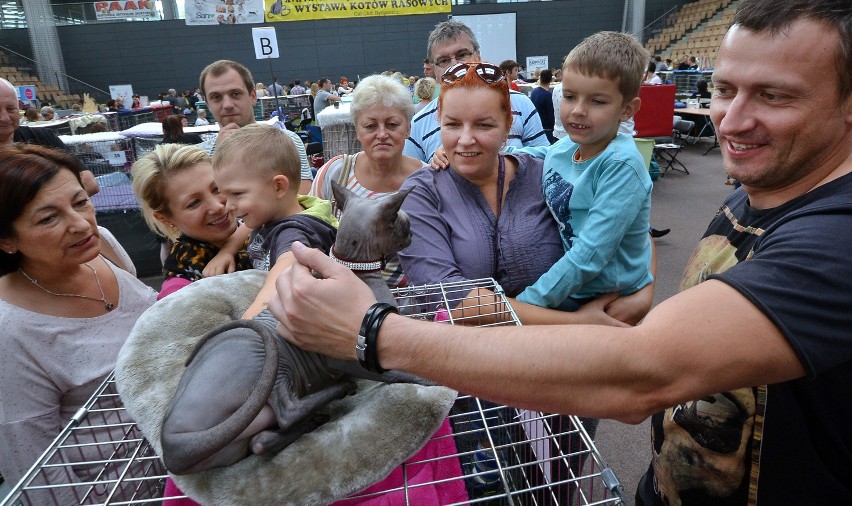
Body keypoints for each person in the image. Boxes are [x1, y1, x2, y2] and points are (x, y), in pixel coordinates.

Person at [270, 0, 852, 503]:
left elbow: (640, 371)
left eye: (774, 95)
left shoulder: (834, 237)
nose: (733, 117)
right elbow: (596, 262)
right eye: (725, 89)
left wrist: (374, 332)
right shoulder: (758, 194)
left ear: (511, 123)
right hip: (525, 409)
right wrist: (611, 305)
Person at [0, 144, 158, 487]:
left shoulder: (102, 243)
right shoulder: (9, 332)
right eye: (48, 218)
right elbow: (34, 470)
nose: (80, 224)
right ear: (7, 240)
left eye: (80, 202)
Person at [503, 32, 653, 311]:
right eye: (570, 97)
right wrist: (488, 156)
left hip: (603, 293)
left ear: (627, 110)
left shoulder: (620, 166)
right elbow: (539, 154)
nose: (578, 111)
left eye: (597, 101)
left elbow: (589, 256)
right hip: (573, 281)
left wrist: (524, 307)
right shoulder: (566, 146)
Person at [310, 74, 423, 289]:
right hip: (338, 298)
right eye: (370, 126)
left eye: (392, 124)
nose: (382, 134)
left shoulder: (428, 180)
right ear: (357, 131)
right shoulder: (334, 173)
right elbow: (311, 237)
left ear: (408, 128)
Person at [214, 123, 337, 319]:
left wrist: (248, 325)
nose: (228, 206)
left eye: (237, 194)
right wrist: (227, 250)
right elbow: (247, 227)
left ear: (279, 187)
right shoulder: (278, 213)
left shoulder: (294, 233)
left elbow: (283, 275)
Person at [404, 20, 548, 164]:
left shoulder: (520, 103)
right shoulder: (419, 124)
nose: (455, 64)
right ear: (434, 70)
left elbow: (546, 164)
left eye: (462, 55)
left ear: (478, 56)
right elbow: (411, 178)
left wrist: (498, 156)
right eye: (443, 60)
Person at [132, 144, 251, 299]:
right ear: (164, 218)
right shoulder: (180, 294)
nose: (216, 206)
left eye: (216, 189)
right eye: (194, 203)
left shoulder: (264, 226)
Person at [197, 59, 313, 194]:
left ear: (252, 96)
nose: (227, 104)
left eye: (235, 94)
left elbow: (302, 203)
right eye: (216, 97)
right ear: (207, 103)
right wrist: (218, 158)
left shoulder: (287, 141)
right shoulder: (197, 157)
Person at [0, 78, 99, 196]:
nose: (4, 118)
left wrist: (41, 207)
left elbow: (89, 182)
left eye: (10, 109)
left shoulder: (43, 138)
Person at [530, 68, 556, 144]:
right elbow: (551, 115)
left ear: (540, 78)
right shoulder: (548, 95)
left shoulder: (534, 92)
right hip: (547, 129)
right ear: (551, 80)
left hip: (537, 126)